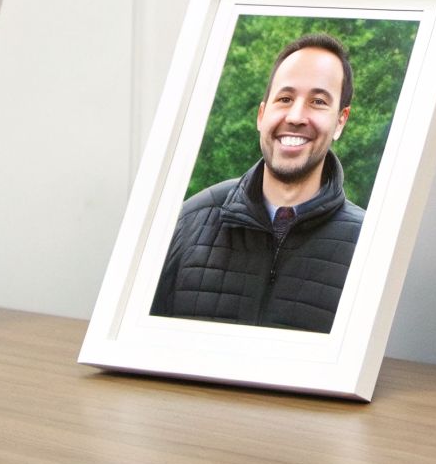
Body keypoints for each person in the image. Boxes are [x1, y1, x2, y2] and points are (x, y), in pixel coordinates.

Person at [152, 32, 364, 333]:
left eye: (318, 101)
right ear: (261, 114)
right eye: (285, 98)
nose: (295, 116)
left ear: (340, 121)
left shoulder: (367, 248)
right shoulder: (188, 223)